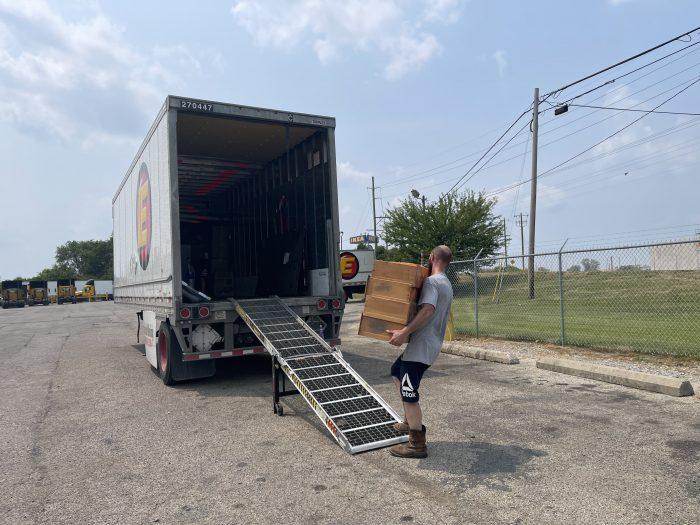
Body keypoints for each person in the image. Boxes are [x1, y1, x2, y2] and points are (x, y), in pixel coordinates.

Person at [386, 245, 454, 458]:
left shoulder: (432, 282)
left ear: (432, 257)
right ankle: (409, 421)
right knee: (397, 372)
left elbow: (427, 310)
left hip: (421, 347)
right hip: (429, 345)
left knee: (409, 392)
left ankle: (417, 444)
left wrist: (403, 332)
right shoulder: (447, 283)